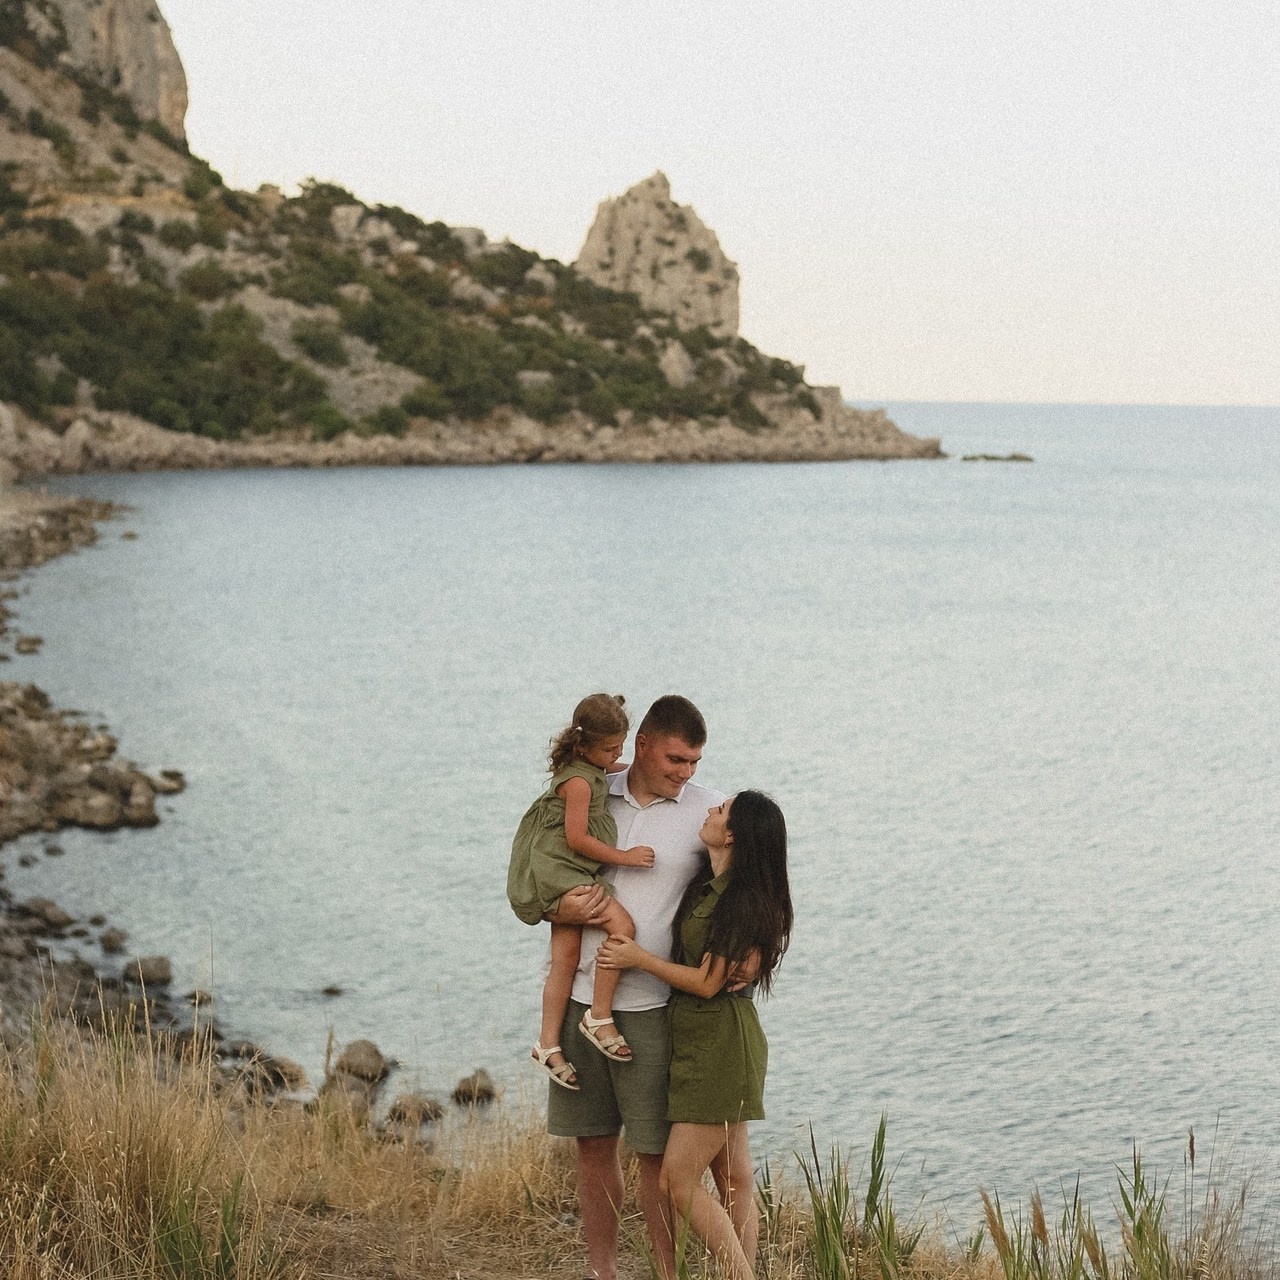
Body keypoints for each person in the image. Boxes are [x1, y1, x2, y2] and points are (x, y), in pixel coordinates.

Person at [546, 694, 723, 1280]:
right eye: (676, 758)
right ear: (642, 744)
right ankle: (604, 1272)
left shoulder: (705, 813)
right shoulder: (590, 791)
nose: (686, 772)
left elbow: (743, 890)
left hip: (650, 1009)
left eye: (694, 761)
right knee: (592, 1145)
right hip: (578, 1002)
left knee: (655, 1158)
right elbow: (541, 859)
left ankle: (664, 1274)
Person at [598, 790, 792, 1280]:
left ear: (733, 836)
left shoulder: (741, 900)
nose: (709, 811)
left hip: (721, 1047)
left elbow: (708, 984)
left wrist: (637, 960)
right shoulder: (711, 887)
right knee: (732, 1177)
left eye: (720, 811)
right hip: (705, 1042)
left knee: (677, 1182)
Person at [507, 693, 657, 1091]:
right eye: (610, 748)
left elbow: (615, 772)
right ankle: (599, 1014)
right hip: (564, 871)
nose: (617, 754)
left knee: (566, 961)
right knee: (622, 925)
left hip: (561, 872)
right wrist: (623, 857)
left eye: (621, 746)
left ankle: (547, 1043)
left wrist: (641, 766)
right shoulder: (577, 783)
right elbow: (576, 838)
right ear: (584, 745)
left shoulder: (589, 768)